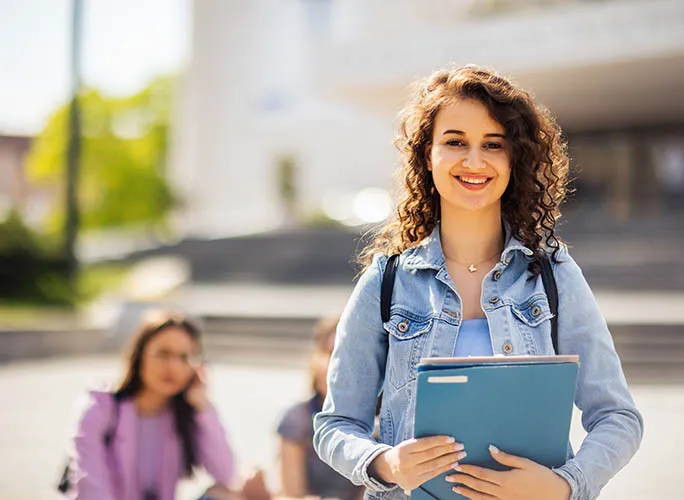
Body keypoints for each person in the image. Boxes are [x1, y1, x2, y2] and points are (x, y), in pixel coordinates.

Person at [313, 65, 644, 500]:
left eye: (493, 144)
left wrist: (566, 484)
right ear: (426, 156)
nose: (474, 161)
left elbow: (618, 416)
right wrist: (385, 463)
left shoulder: (553, 274)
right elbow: (335, 425)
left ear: (515, 159)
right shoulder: (386, 281)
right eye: (455, 142)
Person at [67, 310, 255, 500]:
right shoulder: (101, 405)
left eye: (184, 357)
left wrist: (202, 408)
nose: (173, 366)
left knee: (225, 495)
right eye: (163, 354)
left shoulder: (181, 414)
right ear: (139, 355)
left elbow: (226, 476)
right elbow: (89, 485)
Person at [277, 317, 364, 500]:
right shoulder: (297, 418)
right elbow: (292, 495)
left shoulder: (378, 420)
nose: (336, 364)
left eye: (347, 356)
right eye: (330, 353)